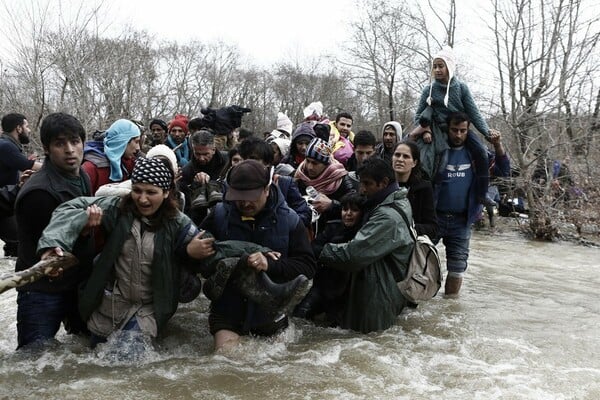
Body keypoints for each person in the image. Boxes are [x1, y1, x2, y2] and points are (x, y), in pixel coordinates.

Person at [37, 157, 206, 348]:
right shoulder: (117, 209)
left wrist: (191, 252)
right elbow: (69, 209)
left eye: (151, 192)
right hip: (110, 307)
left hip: (147, 311)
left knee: (127, 360)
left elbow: (210, 252)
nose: (142, 199)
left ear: (166, 192)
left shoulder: (179, 224)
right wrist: (53, 246)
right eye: (137, 190)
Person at [199, 160, 316, 350]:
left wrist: (270, 265)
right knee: (227, 361)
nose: (245, 203)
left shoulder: (290, 220)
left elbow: (308, 266)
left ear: (267, 189)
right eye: (239, 197)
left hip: (271, 313)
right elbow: (198, 258)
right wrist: (195, 250)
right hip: (228, 311)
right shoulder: (219, 215)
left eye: (251, 197)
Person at [13, 112, 93, 349]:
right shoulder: (40, 193)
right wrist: (86, 230)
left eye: (75, 141)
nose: (70, 150)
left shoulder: (83, 177)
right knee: (34, 360)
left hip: (76, 284)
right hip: (42, 290)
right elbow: (51, 252)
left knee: (85, 352)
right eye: (60, 143)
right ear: (47, 149)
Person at [318, 157, 413, 333]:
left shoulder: (387, 217)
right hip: (382, 288)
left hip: (377, 297)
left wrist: (320, 250)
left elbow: (353, 256)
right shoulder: (396, 201)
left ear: (383, 183)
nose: (361, 190)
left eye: (367, 184)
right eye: (361, 183)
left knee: (366, 342)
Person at [408, 47, 495, 207]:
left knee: (482, 152)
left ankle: (482, 194)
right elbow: (418, 116)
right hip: (438, 132)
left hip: (459, 129)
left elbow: (474, 113)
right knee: (439, 166)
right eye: (435, 66)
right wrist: (426, 130)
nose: (437, 70)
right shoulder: (429, 90)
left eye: (441, 66)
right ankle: (431, 203)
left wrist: (487, 133)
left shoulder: (461, 88)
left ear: (449, 66)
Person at [432, 112, 487, 297]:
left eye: (462, 130)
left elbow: (503, 169)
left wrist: (498, 145)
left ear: (468, 130)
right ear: (447, 129)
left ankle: (449, 306)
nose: (458, 135)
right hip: (434, 217)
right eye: (454, 130)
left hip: (462, 220)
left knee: (457, 268)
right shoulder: (437, 150)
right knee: (420, 259)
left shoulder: (477, 154)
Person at [294, 193, 366, 323]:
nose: (348, 214)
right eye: (345, 209)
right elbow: (313, 249)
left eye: (354, 210)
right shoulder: (333, 227)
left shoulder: (363, 234)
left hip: (348, 291)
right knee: (299, 316)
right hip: (323, 284)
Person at [238, 136, 312, 228]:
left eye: (253, 159)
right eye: (242, 159)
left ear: (267, 163)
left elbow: (305, 214)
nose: (246, 164)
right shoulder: (230, 185)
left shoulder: (283, 184)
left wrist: (280, 224)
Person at [0, 113, 42, 256]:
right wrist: (56, 166)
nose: (29, 130)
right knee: (19, 242)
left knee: (16, 243)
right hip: (3, 204)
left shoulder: (8, 145)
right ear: (18, 128)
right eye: (26, 126)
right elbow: (26, 164)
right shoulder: (5, 145)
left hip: (6, 201)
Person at [294, 138, 356, 229]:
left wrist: (331, 205)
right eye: (308, 161)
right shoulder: (299, 177)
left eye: (315, 163)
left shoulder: (341, 179)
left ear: (326, 165)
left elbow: (354, 209)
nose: (310, 167)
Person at [178, 130, 228, 223]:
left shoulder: (228, 161)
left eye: (205, 154)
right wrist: (195, 186)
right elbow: (187, 209)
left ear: (213, 149)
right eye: (197, 154)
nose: (201, 158)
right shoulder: (186, 172)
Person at [392, 141, 438, 238]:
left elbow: (432, 228)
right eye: (397, 155)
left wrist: (408, 228)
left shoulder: (423, 188)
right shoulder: (383, 185)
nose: (400, 159)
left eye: (406, 156)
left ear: (414, 162)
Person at [82, 119, 141, 194]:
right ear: (123, 141)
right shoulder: (91, 168)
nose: (138, 148)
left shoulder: (130, 164)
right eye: (136, 142)